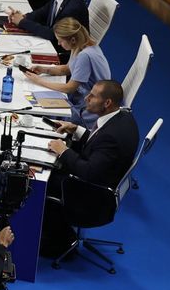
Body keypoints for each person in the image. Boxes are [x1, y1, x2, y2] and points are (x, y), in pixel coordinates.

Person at [41, 81, 140, 256]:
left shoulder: (111, 136)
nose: (86, 98)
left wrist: (63, 151)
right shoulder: (122, 117)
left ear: (107, 103)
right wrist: (76, 130)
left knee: (42, 181)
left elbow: (88, 172)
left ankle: (55, 243)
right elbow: (98, 145)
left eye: (92, 96)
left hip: (92, 197)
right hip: (103, 182)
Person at [22, 17, 109, 126]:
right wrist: (44, 69)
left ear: (72, 39)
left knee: (40, 110)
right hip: (79, 97)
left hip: (88, 108)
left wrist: (39, 81)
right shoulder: (80, 45)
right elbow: (68, 69)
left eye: (60, 40)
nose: (58, 43)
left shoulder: (85, 56)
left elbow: (69, 88)